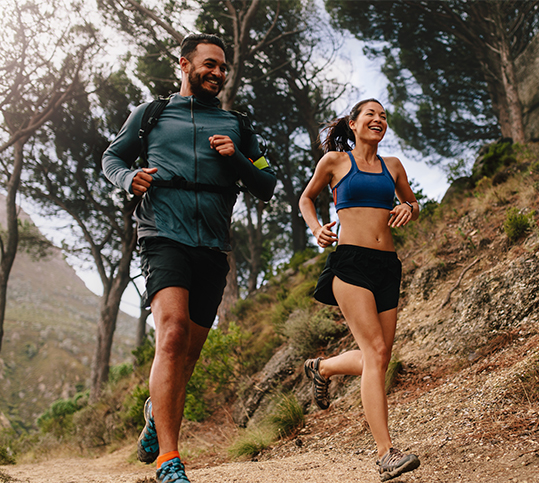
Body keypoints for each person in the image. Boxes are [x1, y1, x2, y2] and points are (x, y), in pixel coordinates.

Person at [102, 33, 276, 483]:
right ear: (184, 64)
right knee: (173, 334)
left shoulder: (238, 124)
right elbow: (112, 157)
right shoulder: (152, 113)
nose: (217, 72)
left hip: (213, 246)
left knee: (188, 355)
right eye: (209, 64)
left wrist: (236, 156)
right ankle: (169, 459)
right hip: (163, 232)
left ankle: (152, 415)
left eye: (222, 67)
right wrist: (129, 178)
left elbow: (267, 181)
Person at [298, 99, 421, 482]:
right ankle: (385, 454)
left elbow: (412, 202)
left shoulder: (393, 166)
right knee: (377, 352)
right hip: (350, 263)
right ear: (353, 123)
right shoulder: (335, 162)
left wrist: (409, 209)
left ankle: (324, 367)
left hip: (387, 266)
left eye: (383, 117)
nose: (379, 120)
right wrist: (316, 227)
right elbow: (306, 198)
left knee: (378, 360)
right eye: (371, 114)